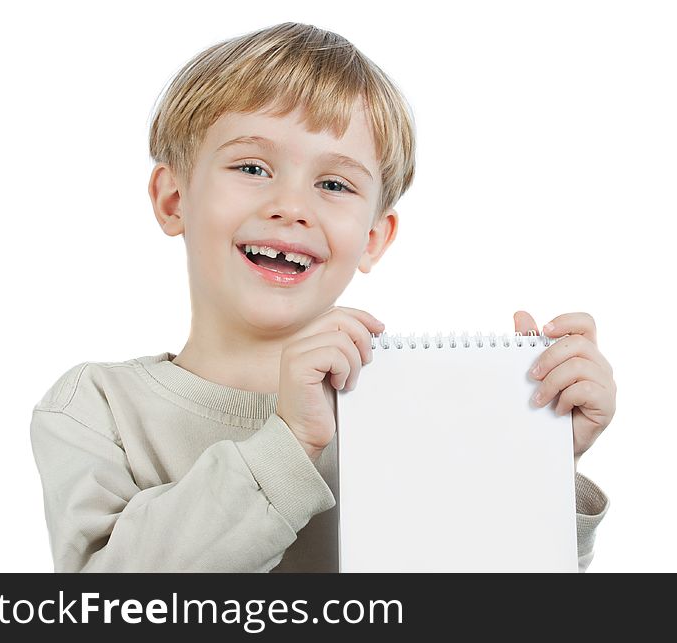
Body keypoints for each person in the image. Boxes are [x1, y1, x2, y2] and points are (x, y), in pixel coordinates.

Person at [30, 21, 615, 573]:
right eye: (253, 167)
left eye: (333, 184)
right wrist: (288, 441)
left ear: (372, 238)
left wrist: (536, 462)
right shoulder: (97, 407)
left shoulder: (415, 409)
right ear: (173, 199)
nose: (292, 206)